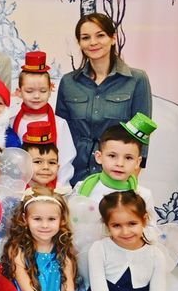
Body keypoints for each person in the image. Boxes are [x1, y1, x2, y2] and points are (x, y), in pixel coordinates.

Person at [56, 14, 152, 182]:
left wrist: (129, 182)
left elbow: (141, 135)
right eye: (86, 37)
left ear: (113, 38)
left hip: (116, 174)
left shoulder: (137, 79)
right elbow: (61, 132)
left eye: (100, 35)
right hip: (74, 174)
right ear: (79, 43)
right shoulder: (68, 82)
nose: (93, 42)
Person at [13, 51, 75, 188]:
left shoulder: (60, 124)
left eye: (42, 91)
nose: (36, 96)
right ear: (19, 91)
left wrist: (60, 187)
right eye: (29, 91)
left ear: (50, 90)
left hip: (53, 189)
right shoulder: (12, 123)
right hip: (21, 189)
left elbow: (65, 160)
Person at [72, 116, 157, 209]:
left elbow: (148, 219)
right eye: (112, 156)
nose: (120, 164)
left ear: (138, 162)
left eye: (128, 158)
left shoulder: (143, 195)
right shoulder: (82, 187)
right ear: (99, 157)